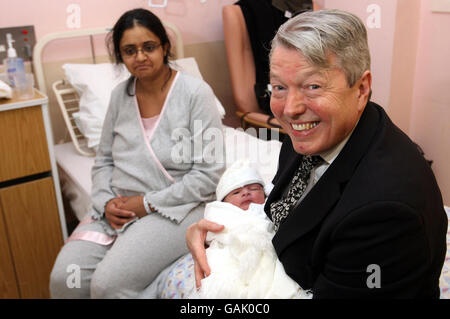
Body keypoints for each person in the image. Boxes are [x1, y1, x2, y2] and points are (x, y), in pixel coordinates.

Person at [186, 9, 448, 298]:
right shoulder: (309, 135)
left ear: (361, 88)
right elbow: (283, 215)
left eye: (312, 86)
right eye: (279, 87)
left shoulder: (384, 213)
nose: (290, 108)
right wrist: (220, 233)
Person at [50, 8, 225, 298]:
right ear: (121, 56)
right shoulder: (121, 96)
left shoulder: (195, 93)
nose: (140, 57)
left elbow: (208, 176)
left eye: (149, 47)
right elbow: (104, 159)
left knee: (108, 286)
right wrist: (106, 202)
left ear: (165, 47)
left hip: (177, 206)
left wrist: (146, 204)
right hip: (118, 206)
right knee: (65, 279)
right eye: (129, 50)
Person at [153, 160, 309, 299]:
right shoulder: (221, 213)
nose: (246, 193)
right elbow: (214, 233)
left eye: (253, 188)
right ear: (224, 202)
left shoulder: (272, 208)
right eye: (236, 192)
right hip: (232, 251)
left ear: (266, 193)